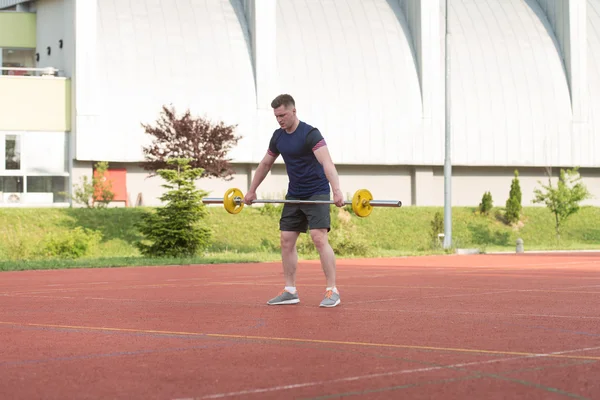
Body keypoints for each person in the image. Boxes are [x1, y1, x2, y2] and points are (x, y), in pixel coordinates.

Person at [244, 94, 345, 308]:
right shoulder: (278, 137)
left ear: (293, 111)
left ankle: (332, 290)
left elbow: (327, 162)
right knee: (286, 240)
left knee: (319, 238)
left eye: (282, 115)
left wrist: (336, 191)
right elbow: (265, 164)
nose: (279, 120)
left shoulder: (310, 133)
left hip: (316, 191)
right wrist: (251, 191)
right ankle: (290, 290)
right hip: (294, 193)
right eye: (276, 116)